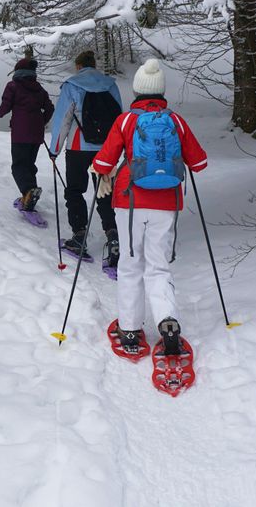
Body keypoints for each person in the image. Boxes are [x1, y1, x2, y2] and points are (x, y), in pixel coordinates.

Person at [90, 58, 208, 355]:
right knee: (158, 265)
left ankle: (129, 328)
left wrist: (104, 168)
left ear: (137, 90)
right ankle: (168, 320)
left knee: (131, 265)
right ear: (161, 90)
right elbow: (200, 162)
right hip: (166, 202)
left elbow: (103, 162)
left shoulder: (127, 120)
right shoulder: (176, 120)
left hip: (129, 202)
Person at [47, 50, 122, 267]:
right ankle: (113, 237)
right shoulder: (110, 85)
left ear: (79, 66)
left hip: (78, 148)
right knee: (105, 193)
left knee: (75, 190)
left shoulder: (72, 85)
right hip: (105, 151)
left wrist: (55, 150)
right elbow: (119, 118)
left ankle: (79, 236)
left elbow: (63, 120)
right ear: (94, 65)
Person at [0, 57, 54, 210]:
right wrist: (42, 122)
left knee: (19, 165)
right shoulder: (39, 89)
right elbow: (50, 108)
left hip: (20, 132)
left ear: (18, 71)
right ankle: (31, 193)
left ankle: (28, 192)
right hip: (37, 132)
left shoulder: (13, 86)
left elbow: (5, 107)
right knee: (29, 164)